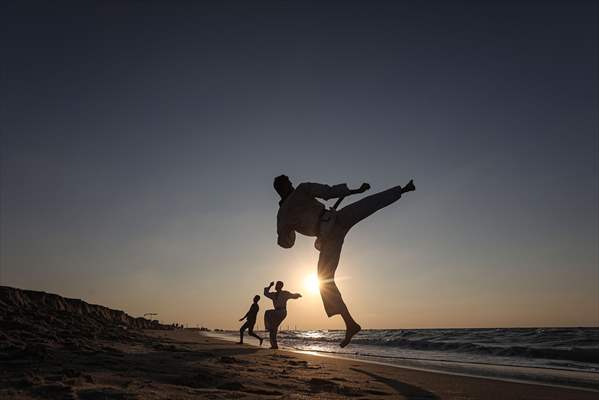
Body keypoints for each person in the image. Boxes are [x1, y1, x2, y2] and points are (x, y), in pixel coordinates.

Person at [273, 175, 415, 347]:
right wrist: (355, 190)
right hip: (331, 230)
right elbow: (330, 192)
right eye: (289, 184)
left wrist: (285, 226)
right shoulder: (295, 199)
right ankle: (351, 324)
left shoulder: (285, 211)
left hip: (330, 230)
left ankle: (350, 323)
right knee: (324, 282)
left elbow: (287, 243)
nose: (292, 185)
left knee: (324, 282)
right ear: (284, 187)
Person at [263, 281, 301, 349]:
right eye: (276, 285)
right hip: (276, 312)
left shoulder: (284, 293)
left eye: (277, 285)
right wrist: (270, 286)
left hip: (282, 312)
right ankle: (274, 345)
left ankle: (268, 328)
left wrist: (297, 295)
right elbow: (265, 293)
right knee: (273, 328)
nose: (276, 286)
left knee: (268, 313)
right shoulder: (273, 295)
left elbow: (292, 295)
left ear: (280, 286)